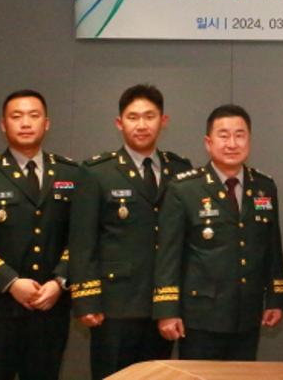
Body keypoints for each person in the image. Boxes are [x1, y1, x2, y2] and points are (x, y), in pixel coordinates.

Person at [0, 89, 85, 380]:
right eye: (17, 116)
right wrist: (11, 283)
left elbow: (80, 237)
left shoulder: (71, 173)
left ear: (47, 123)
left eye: (33, 115)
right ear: (3, 125)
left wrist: (60, 281)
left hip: (50, 309)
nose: (25, 123)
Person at [69, 84, 192, 379]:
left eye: (149, 116)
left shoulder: (180, 169)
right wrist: (86, 300)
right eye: (133, 117)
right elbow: (83, 240)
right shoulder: (97, 172)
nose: (141, 125)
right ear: (119, 123)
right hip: (114, 305)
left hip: (164, 303)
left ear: (163, 121)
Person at [152, 104, 283, 360]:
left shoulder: (264, 186)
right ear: (208, 142)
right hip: (200, 316)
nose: (232, 143)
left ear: (249, 140)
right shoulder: (185, 189)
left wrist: (276, 298)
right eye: (223, 136)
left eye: (239, 135)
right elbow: (168, 255)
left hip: (248, 313)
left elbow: (271, 247)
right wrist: (167, 310)